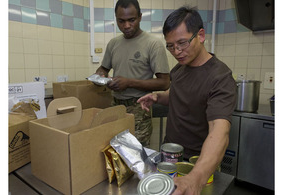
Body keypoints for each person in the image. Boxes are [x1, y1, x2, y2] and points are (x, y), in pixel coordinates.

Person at [137, 6, 237, 195]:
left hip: (198, 164)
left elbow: (219, 130)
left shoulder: (220, 77)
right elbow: (180, 96)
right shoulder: (179, 70)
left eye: (182, 43)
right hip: (169, 156)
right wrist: (158, 97)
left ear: (200, 36)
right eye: (171, 46)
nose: (177, 51)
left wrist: (196, 177)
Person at [95, 0, 170, 147]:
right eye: (121, 21)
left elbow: (164, 82)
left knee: (137, 154)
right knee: (115, 151)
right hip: (115, 106)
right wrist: (100, 76)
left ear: (140, 17)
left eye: (131, 20)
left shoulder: (153, 44)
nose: (126, 26)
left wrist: (129, 82)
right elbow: (103, 68)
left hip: (139, 107)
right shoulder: (113, 43)